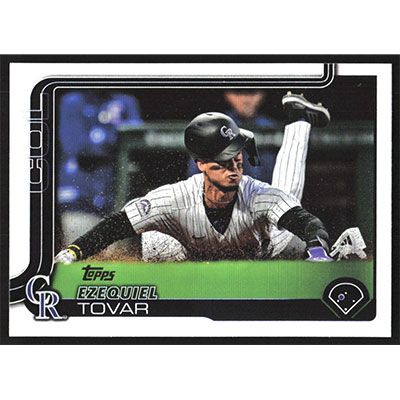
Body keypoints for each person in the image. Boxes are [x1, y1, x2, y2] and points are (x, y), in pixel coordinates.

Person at [55, 92, 333, 264]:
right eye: (223, 159)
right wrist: (74, 251)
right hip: (197, 250)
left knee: (290, 231)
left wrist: (318, 249)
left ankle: (299, 121)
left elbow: (306, 222)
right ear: (201, 164)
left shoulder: (257, 193)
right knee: (157, 244)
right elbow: (118, 224)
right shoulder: (176, 197)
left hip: (262, 248)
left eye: (237, 156)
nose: (235, 165)